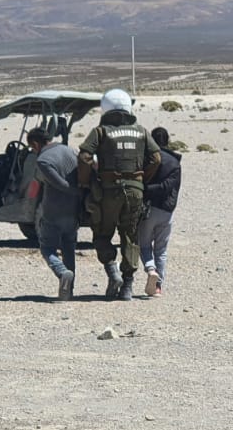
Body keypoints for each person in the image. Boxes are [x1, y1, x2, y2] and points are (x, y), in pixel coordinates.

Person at [77, 88, 161, 301]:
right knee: (130, 236)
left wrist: (86, 181)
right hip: (135, 191)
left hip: (108, 191)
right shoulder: (141, 131)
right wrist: (141, 179)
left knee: (102, 233)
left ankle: (113, 273)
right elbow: (156, 158)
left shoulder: (101, 131)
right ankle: (127, 287)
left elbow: (85, 156)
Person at [28, 126, 79, 301]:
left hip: (53, 211)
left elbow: (60, 184)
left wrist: (73, 191)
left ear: (36, 144)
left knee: (47, 247)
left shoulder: (43, 160)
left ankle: (62, 272)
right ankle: (68, 291)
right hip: (73, 210)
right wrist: (79, 195)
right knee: (69, 248)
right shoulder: (69, 150)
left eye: (32, 148)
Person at [137, 126, 180, 297]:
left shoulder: (147, 159)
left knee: (144, 244)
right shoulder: (175, 162)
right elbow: (170, 187)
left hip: (149, 208)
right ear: (167, 141)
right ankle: (157, 287)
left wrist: (145, 190)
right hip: (167, 211)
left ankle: (150, 269)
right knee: (161, 249)